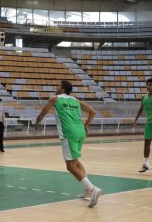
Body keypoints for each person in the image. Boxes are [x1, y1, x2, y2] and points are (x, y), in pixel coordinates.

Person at [34, 80, 101, 208]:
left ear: (63, 89)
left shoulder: (55, 99)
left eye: (58, 86)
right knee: (76, 161)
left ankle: (92, 189)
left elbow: (43, 112)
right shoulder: (76, 100)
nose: (56, 88)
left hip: (68, 133)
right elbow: (93, 112)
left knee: (70, 166)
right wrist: (86, 126)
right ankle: (87, 190)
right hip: (80, 132)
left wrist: (37, 123)